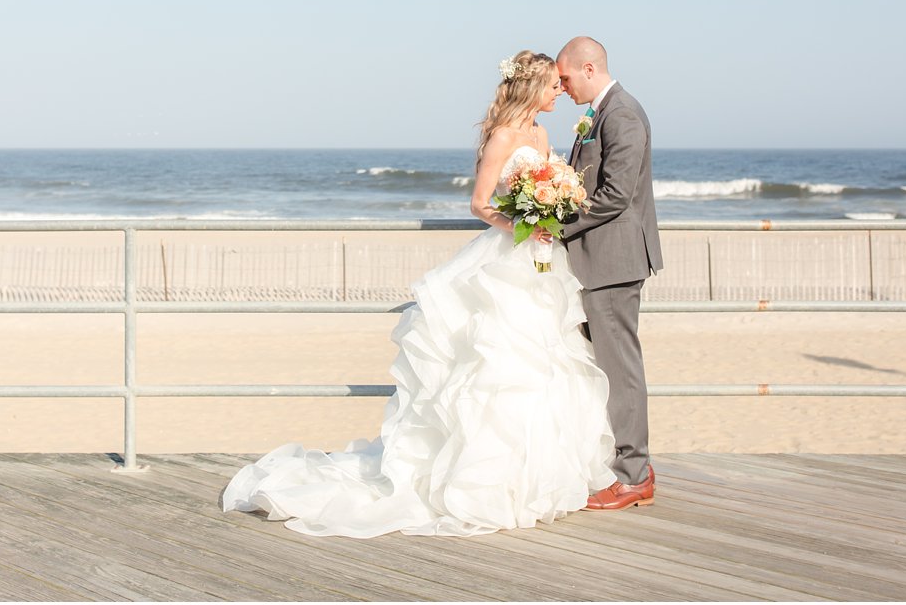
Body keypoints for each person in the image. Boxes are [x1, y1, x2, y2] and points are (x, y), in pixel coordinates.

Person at [222, 50, 615, 537]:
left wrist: (552, 210)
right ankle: (482, 481)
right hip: (509, 252)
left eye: (562, 83)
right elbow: (479, 203)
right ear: (531, 87)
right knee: (494, 363)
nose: (560, 90)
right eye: (552, 84)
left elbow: (550, 183)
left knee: (544, 359)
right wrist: (521, 219)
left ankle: (536, 477)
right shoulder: (503, 136)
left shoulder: (540, 134)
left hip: (541, 260)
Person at [555, 35, 664, 511]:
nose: (561, 88)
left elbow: (617, 195)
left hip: (614, 263)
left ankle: (633, 475)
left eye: (564, 78)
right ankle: (630, 465)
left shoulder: (620, 114)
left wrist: (557, 226)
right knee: (608, 367)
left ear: (588, 68)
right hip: (598, 262)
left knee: (620, 370)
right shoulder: (598, 114)